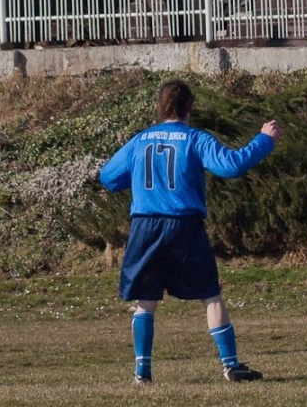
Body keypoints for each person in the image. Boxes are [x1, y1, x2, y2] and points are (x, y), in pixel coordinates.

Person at [99, 79, 283, 384]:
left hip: (145, 226)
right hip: (184, 225)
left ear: (159, 107)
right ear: (191, 106)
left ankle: (142, 372)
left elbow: (108, 176)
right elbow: (231, 165)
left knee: (146, 301)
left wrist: (139, 179)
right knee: (210, 295)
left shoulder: (140, 140)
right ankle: (231, 364)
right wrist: (264, 140)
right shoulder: (195, 139)